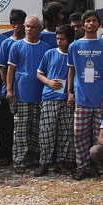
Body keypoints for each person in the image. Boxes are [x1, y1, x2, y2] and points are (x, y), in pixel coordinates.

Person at [67, 10, 103, 180]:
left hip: (100, 99)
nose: (91, 23)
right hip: (81, 98)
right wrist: (69, 92)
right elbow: (71, 71)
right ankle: (83, 167)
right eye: (87, 21)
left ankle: (102, 167)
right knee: (79, 134)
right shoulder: (74, 46)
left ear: (98, 24)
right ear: (83, 24)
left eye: (94, 20)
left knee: (99, 136)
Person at [6, 14, 50, 171]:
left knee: (37, 129)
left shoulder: (46, 48)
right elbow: (10, 70)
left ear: (40, 29)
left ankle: (33, 159)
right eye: (27, 26)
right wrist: (9, 90)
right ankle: (19, 161)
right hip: (22, 94)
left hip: (40, 95)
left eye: (33, 27)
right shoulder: (16, 46)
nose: (29, 29)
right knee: (21, 130)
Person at [35, 24, 76, 176]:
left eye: (62, 39)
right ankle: (44, 162)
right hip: (49, 98)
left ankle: (61, 162)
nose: (59, 41)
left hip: (66, 99)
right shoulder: (50, 53)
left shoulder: (74, 55)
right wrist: (49, 82)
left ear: (70, 40)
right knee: (47, 131)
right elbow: (39, 73)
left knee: (65, 132)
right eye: (57, 38)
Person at [0, 9, 26, 165]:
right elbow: (2, 68)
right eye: (14, 23)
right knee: (5, 124)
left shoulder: (30, 41)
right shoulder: (6, 43)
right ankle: (4, 154)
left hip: (25, 91)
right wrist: (8, 87)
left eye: (20, 23)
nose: (17, 26)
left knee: (22, 126)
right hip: (8, 92)